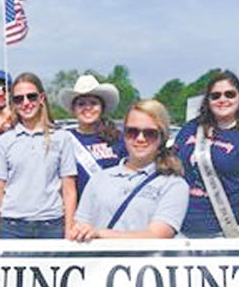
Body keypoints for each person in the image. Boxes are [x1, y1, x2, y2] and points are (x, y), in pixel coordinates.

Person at [69, 99, 188, 240]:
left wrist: (99, 234)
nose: (140, 139)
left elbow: (157, 235)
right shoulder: (99, 179)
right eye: (132, 132)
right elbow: (80, 224)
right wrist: (82, 231)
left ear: (162, 137)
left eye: (150, 133)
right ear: (124, 134)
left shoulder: (174, 185)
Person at [173, 70, 239, 238]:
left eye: (229, 94)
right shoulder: (190, 129)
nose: (223, 100)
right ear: (208, 101)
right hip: (185, 225)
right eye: (215, 96)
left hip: (231, 227)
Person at [0, 72, 77, 239]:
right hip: (11, 226)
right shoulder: (4, 141)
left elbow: (69, 191)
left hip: (52, 225)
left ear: (42, 98)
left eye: (31, 97)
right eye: (19, 99)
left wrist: (68, 233)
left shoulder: (62, 138)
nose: (26, 103)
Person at [57, 74, 127, 198]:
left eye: (93, 103)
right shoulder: (64, 140)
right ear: (73, 109)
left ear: (102, 108)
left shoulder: (117, 138)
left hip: (113, 208)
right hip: (79, 211)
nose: (88, 108)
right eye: (81, 104)